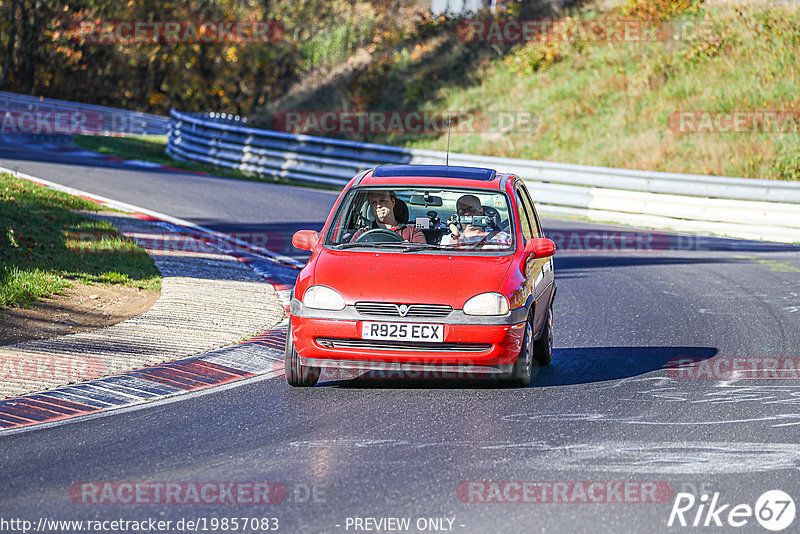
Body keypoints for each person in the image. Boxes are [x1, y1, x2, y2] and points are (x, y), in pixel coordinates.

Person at [350, 190, 426, 243]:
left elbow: (422, 258)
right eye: (374, 202)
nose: (378, 206)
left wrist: (409, 247)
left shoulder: (412, 232)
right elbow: (349, 257)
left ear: (393, 202)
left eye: (382, 201)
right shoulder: (362, 234)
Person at [440, 194, 510, 248]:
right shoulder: (449, 239)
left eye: (471, 209)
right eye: (462, 211)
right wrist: (455, 234)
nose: (467, 214)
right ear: (458, 214)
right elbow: (450, 260)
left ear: (480, 211)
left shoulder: (501, 236)